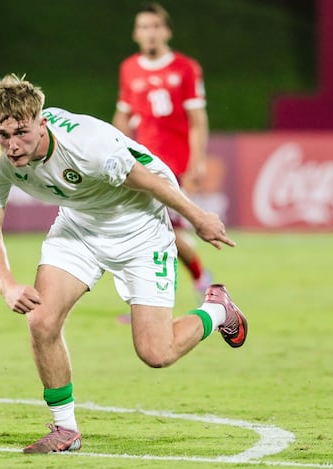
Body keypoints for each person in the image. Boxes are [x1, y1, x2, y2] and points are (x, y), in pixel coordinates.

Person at [0, 74, 247, 454]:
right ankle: (65, 430)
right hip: (79, 227)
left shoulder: (87, 145)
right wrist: (7, 285)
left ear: (41, 122)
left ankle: (217, 309)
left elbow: (150, 180)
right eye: (3, 135)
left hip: (140, 227)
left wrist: (199, 218)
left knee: (156, 353)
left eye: (21, 132)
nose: (12, 145)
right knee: (41, 320)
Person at [113, 2, 212, 301]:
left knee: (167, 233)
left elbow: (197, 119)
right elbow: (123, 115)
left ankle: (200, 280)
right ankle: (149, 299)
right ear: (135, 34)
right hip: (141, 163)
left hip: (173, 166)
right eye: (144, 27)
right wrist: (114, 150)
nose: (150, 33)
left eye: (156, 26)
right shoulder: (129, 68)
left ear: (167, 31)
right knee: (143, 231)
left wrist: (197, 162)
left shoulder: (185, 68)